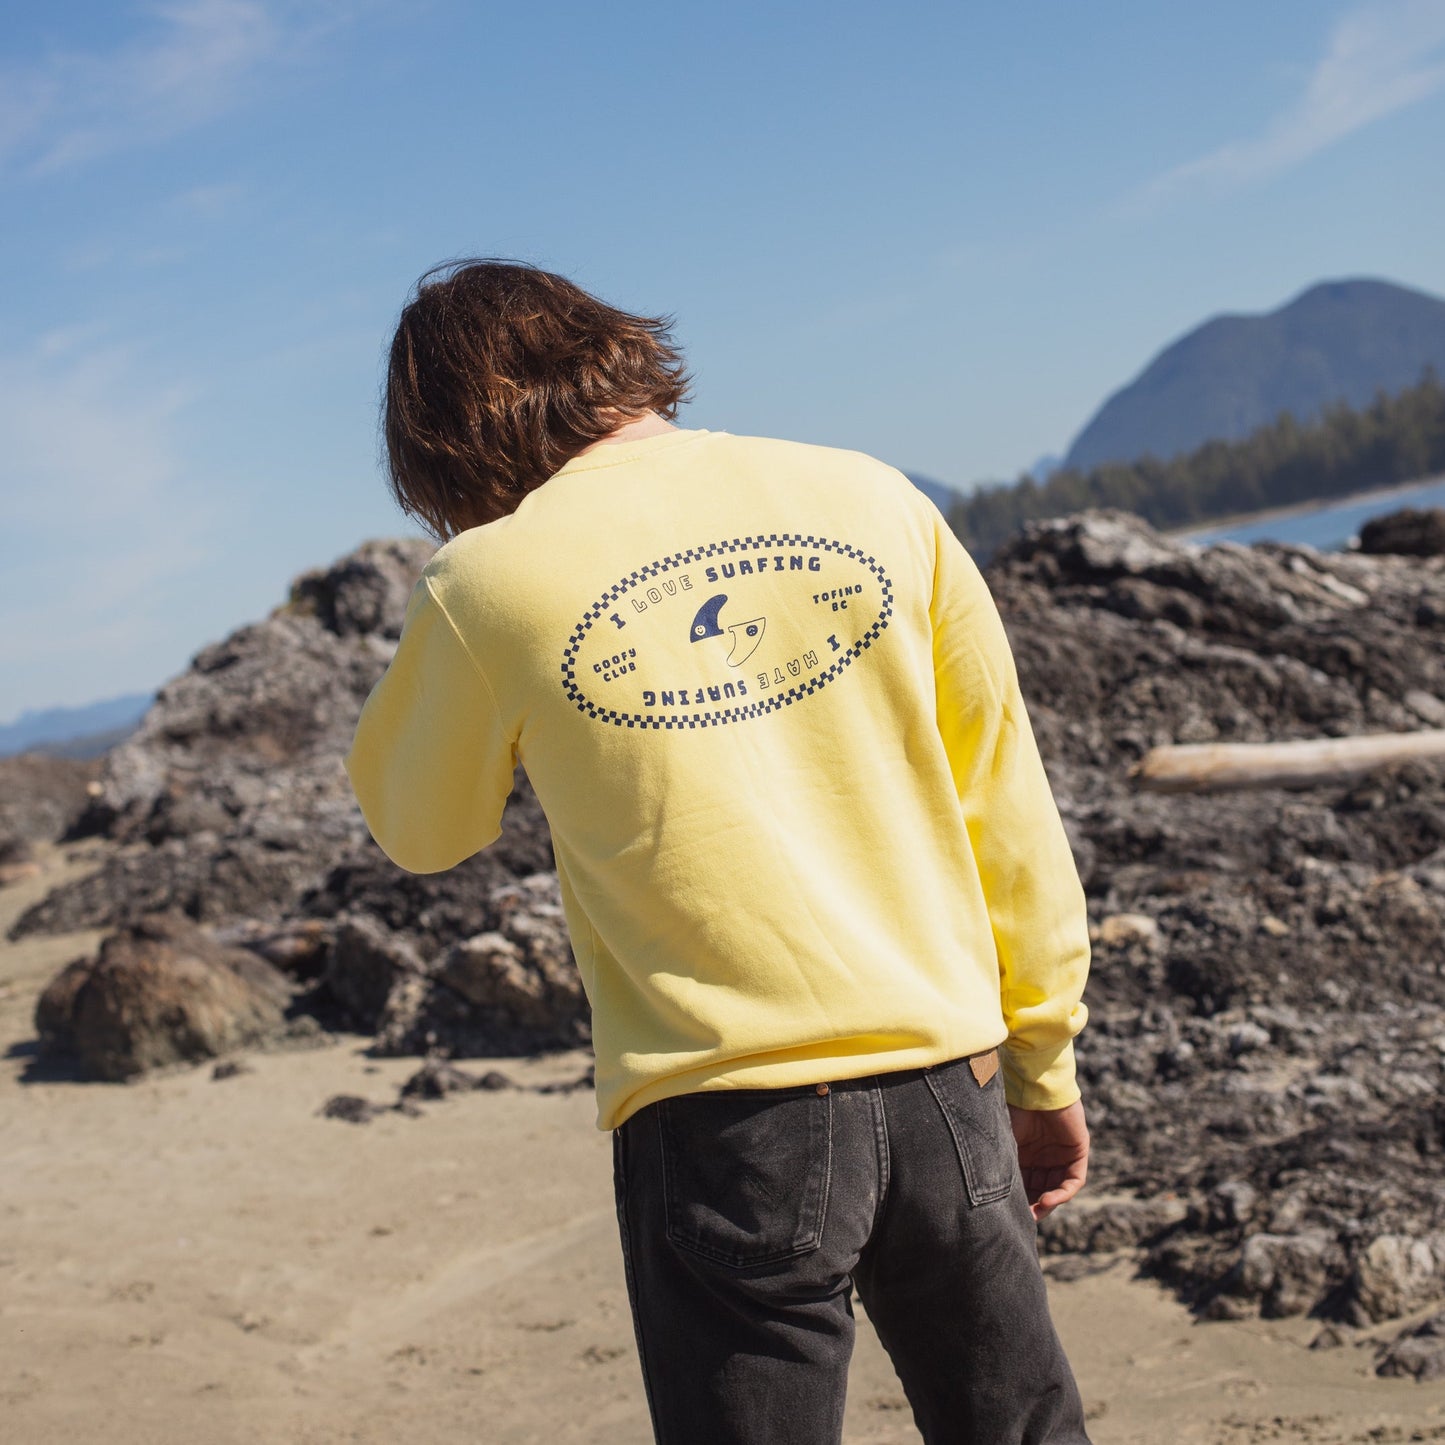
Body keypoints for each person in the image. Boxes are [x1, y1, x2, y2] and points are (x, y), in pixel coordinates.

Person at [346, 258, 1094, 1445]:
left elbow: (420, 829)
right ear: (613, 350)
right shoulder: (873, 497)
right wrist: (1044, 1062)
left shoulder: (484, 578)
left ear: (444, 431)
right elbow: (1005, 805)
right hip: (945, 1079)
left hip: (725, 1120)